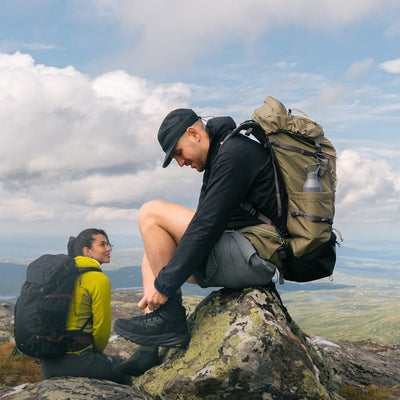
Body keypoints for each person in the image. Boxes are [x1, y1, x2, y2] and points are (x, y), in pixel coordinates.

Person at [114, 108, 285, 373]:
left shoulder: (233, 153)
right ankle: (150, 348)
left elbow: (206, 224)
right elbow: (206, 221)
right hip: (244, 248)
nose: (181, 163)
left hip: (255, 256)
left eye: (178, 154)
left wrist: (165, 286)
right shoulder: (223, 151)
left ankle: (169, 320)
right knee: (154, 250)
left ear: (194, 133)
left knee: (150, 212)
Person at [40, 228, 134, 384]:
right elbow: (101, 329)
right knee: (127, 369)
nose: (108, 249)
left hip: (48, 364)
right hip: (79, 361)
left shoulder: (60, 275)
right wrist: (96, 356)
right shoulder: (98, 279)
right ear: (87, 251)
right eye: (102, 244)